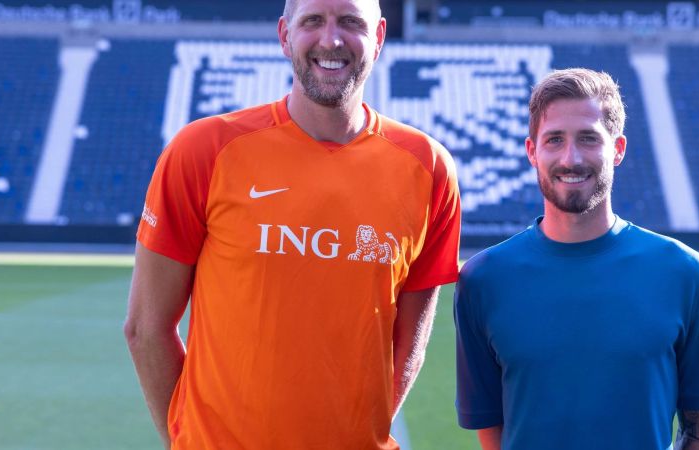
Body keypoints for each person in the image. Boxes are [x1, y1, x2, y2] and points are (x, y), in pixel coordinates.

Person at [124, 0, 461, 448]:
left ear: (378, 37)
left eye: (350, 22)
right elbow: (146, 327)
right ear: (285, 35)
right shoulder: (203, 150)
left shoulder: (428, 167)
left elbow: (410, 340)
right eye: (313, 21)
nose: (331, 39)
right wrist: (187, 439)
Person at [454, 68, 699, 450]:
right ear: (532, 151)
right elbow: (492, 429)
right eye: (554, 140)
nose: (571, 158)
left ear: (617, 149)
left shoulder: (687, 275)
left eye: (588, 139)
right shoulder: (483, 280)